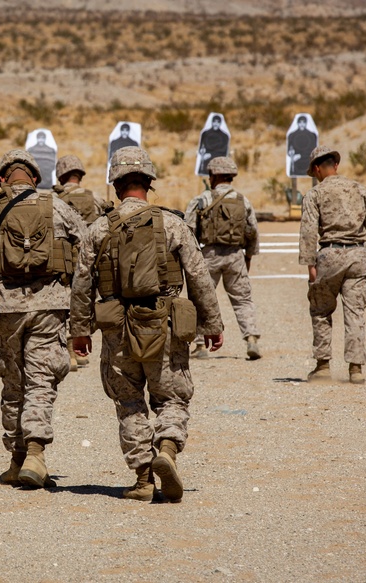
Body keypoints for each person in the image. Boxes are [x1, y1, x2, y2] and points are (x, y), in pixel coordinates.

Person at [70, 147, 224, 503]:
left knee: (128, 402)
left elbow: (81, 285)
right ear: (148, 183)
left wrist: (79, 331)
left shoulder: (98, 229)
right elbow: (199, 277)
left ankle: (142, 480)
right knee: (172, 396)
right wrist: (212, 325)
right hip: (164, 324)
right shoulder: (173, 223)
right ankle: (167, 448)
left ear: (116, 184)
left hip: (116, 329)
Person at [0, 149, 83, 490]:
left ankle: (16, 460)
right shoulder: (58, 207)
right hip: (50, 308)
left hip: (5, 311)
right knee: (41, 381)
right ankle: (36, 455)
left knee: (13, 385)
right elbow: (87, 250)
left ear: (2, 179)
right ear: (36, 179)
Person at [299, 146, 366, 384]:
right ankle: (355, 369)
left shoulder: (314, 194)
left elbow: (308, 232)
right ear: (335, 165)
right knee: (355, 313)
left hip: (329, 255)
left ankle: (323, 366)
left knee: (320, 310)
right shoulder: (360, 190)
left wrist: (309, 265)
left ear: (317, 169)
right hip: (358, 256)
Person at [184, 156, 261, 360]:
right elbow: (252, 230)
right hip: (235, 255)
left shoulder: (201, 200)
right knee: (242, 299)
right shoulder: (243, 200)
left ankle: (200, 345)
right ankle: (251, 338)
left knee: (202, 299)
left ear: (214, 176)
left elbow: (188, 230)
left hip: (208, 255)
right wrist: (249, 256)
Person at [53, 154, 111, 370]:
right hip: (91, 258)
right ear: (80, 175)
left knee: (66, 304)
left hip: (65, 260)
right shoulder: (94, 197)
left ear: (61, 176)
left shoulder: (54, 200)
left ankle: (71, 352)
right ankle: (81, 349)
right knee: (86, 303)